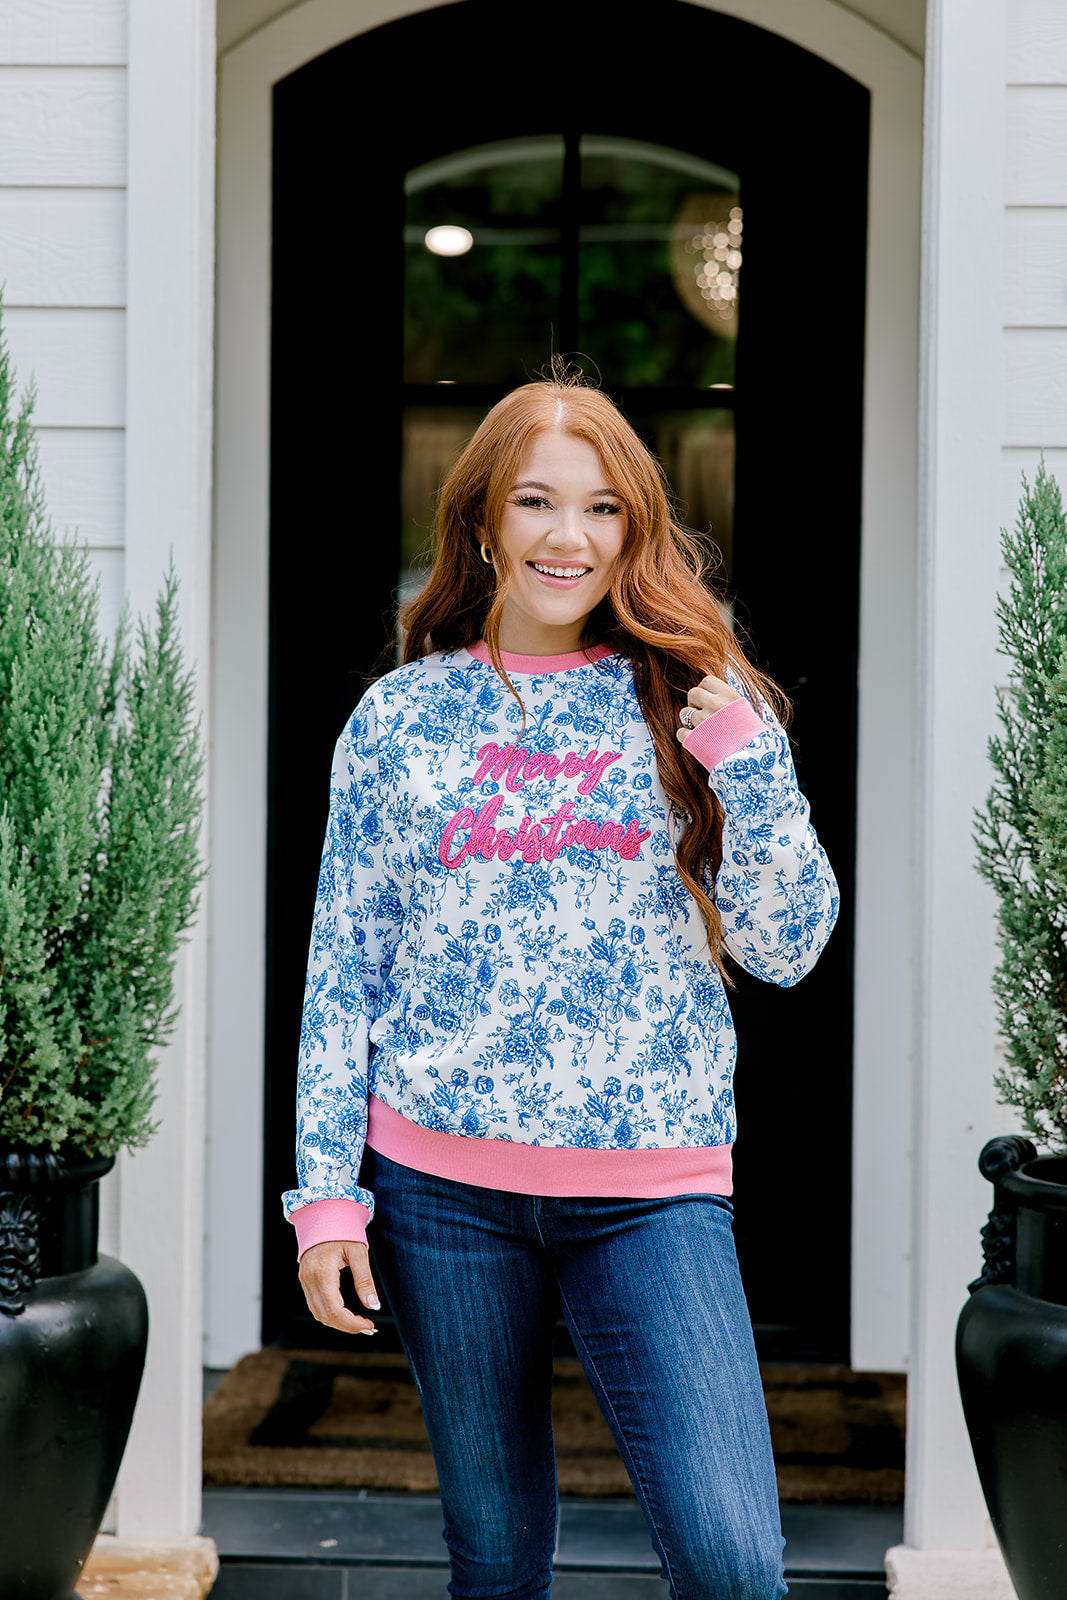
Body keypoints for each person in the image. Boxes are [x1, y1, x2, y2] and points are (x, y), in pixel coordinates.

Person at [285, 374, 838, 1600]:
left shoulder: (694, 704)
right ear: (484, 520)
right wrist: (325, 1195)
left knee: (732, 1560)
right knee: (493, 1562)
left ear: (633, 531)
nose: (565, 536)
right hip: (440, 1195)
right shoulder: (399, 718)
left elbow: (789, 945)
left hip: (652, 1191)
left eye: (599, 509)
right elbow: (345, 966)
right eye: (535, 500)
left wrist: (747, 769)